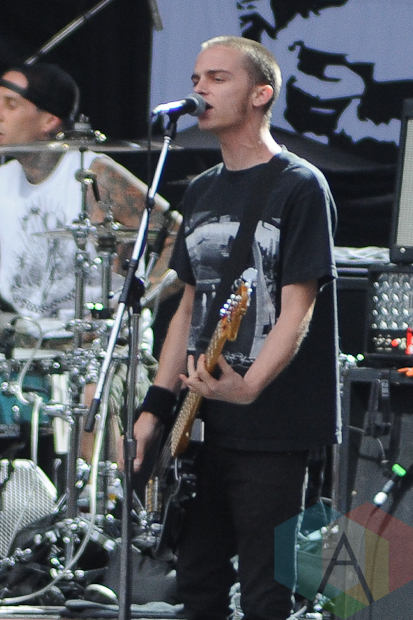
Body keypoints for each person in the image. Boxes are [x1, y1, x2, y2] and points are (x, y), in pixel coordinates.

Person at [127, 36, 341, 620]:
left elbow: (298, 306)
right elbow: (187, 310)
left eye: (218, 78)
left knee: (266, 592)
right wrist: (155, 408)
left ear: (260, 94)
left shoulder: (299, 185)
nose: (200, 89)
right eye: (196, 79)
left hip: (272, 424)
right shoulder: (200, 189)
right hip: (199, 424)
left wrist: (249, 387)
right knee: (197, 585)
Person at [0, 62, 177, 466]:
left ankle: (101, 497)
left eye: (10, 104)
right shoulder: (3, 181)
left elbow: (176, 242)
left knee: (89, 402)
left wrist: (129, 308)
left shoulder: (90, 174)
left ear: (49, 120)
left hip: (100, 350)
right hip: (29, 347)